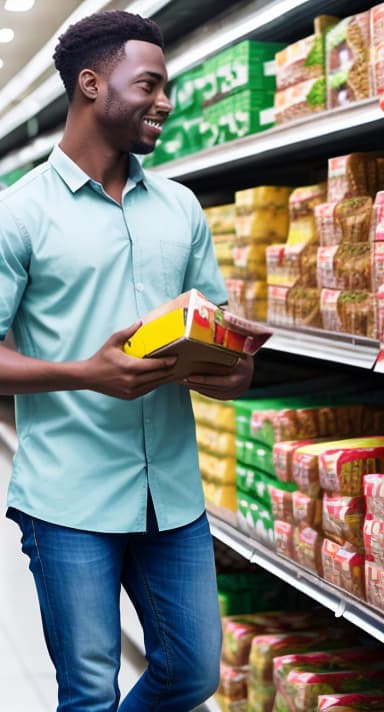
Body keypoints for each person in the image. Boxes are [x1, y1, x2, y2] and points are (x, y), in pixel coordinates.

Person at [0, 10, 254, 712]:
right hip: (67, 497)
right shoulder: (20, 214)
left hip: (171, 495)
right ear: (91, 84)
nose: (166, 101)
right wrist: (86, 373)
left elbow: (222, 361)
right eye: (150, 84)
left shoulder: (180, 209)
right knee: (88, 692)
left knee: (193, 674)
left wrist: (231, 361)